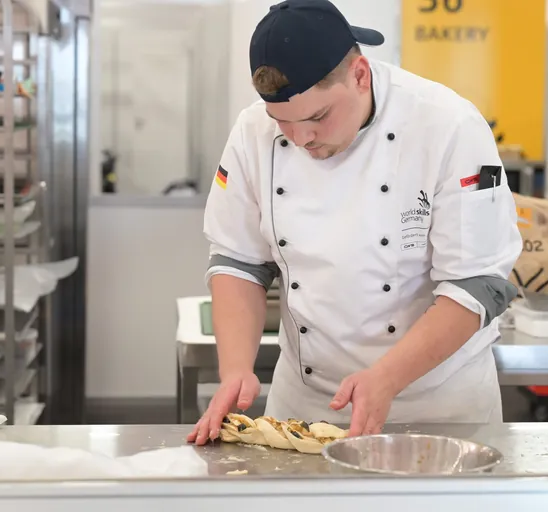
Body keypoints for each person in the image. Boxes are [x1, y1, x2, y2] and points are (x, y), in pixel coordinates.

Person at [188, 0, 522, 446]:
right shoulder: (252, 132)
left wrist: (386, 378)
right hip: (305, 409)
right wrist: (235, 370)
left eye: (317, 117)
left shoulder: (447, 125)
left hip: (438, 408)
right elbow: (238, 261)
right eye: (281, 123)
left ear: (360, 75)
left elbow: (477, 284)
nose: (300, 138)